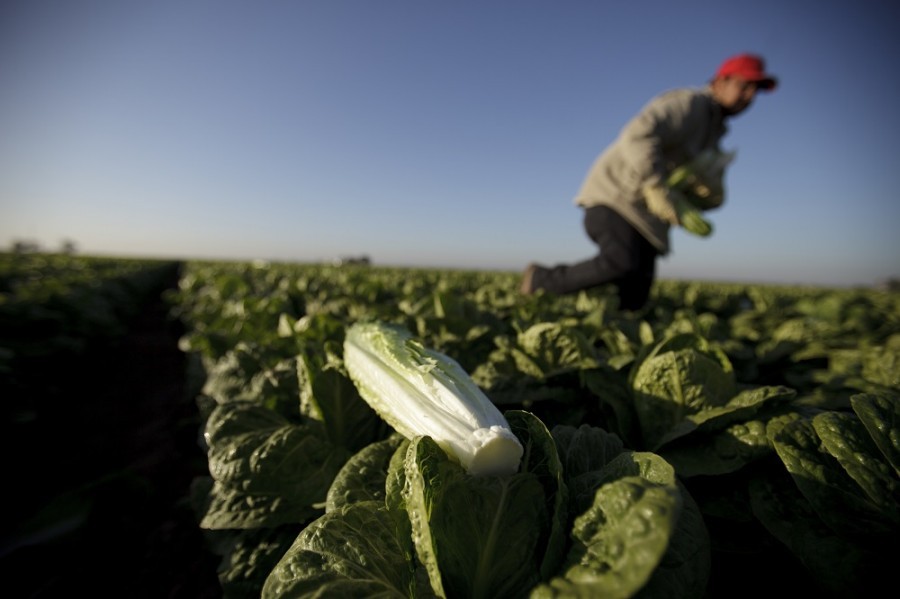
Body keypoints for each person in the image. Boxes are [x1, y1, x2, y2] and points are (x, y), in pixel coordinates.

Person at [520, 53, 778, 311]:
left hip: (649, 216)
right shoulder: (690, 104)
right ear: (721, 81)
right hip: (617, 198)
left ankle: (608, 330)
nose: (750, 97)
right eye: (744, 86)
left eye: (755, 91)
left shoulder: (715, 131)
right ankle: (540, 280)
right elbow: (638, 134)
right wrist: (655, 184)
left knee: (635, 297)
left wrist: (700, 195)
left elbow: (685, 177)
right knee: (621, 261)